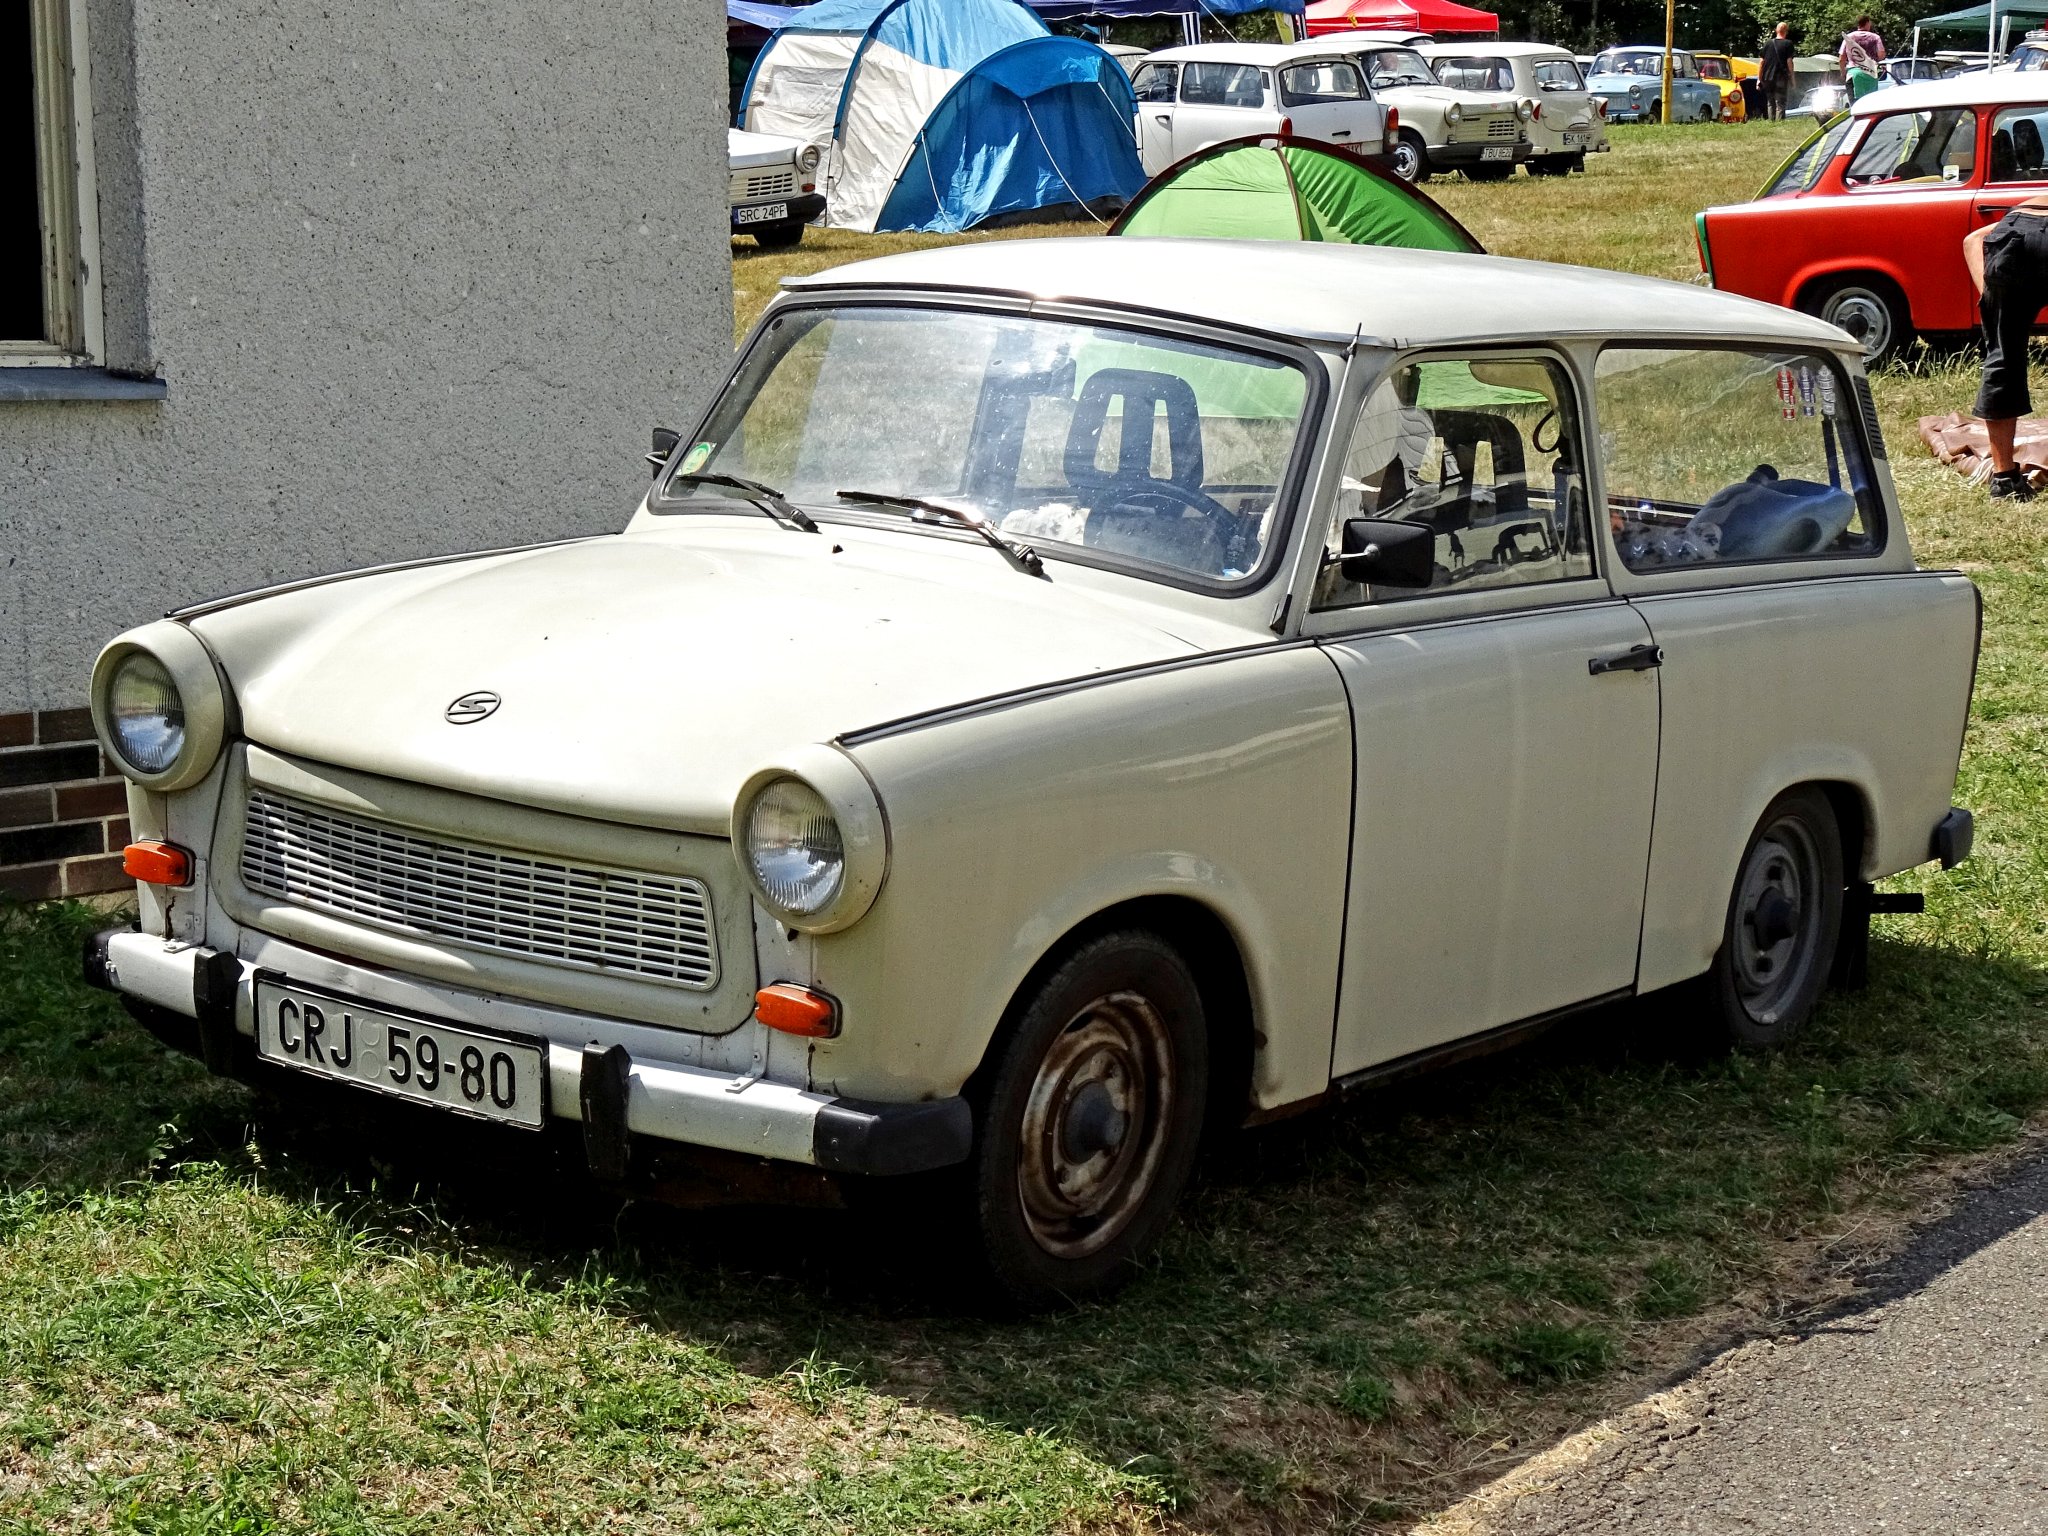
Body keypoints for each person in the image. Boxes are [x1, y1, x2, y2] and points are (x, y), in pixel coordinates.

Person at [1964, 198, 2048, 501]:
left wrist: (1989, 299)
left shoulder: (2027, 207)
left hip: (2012, 234)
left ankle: (2005, 480)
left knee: (2003, 356)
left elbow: (1972, 240)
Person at [1840, 14, 1886, 99]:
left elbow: (1842, 58)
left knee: (1855, 104)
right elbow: (1881, 54)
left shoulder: (1849, 37)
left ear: (1858, 24)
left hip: (1853, 73)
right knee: (1870, 102)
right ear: (1867, 23)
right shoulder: (1875, 37)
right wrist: (1875, 60)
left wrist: (1843, 73)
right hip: (1870, 73)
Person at [1759, 22, 1796, 119]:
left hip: (1768, 77)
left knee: (1770, 102)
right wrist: (1792, 78)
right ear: (1786, 32)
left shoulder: (1768, 43)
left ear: (1776, 30)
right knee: (1780, 103)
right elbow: (1789, 62)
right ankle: (1779, 123)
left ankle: (1771, 122)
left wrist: (1759, 78)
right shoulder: (1788, 44)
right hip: (1781, 77)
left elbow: (1761, 62)